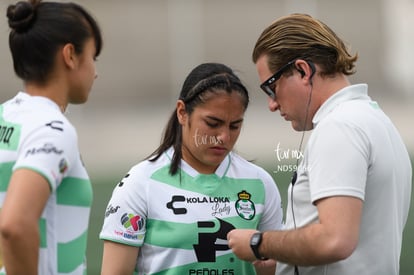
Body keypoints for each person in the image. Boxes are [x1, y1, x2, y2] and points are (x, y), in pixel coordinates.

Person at [227, 13, 412, 275]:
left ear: (303, 70)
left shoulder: (339, 127)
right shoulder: (374, 119)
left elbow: (334, 239)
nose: (272, 104)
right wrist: (283, 257)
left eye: (271, 87)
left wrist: (259, 243)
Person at [99, 62, 284, 275]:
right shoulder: (141, 183)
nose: (224, 136)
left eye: (235, 125)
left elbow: (274, 269)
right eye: (212, 123)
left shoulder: (260, 183)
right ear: (182, 113)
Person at [0, 0, 102, 274]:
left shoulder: (4, 116)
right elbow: (14, 224)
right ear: (70, 55)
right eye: (93, 56)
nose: (96, 71)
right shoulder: (53, 129)